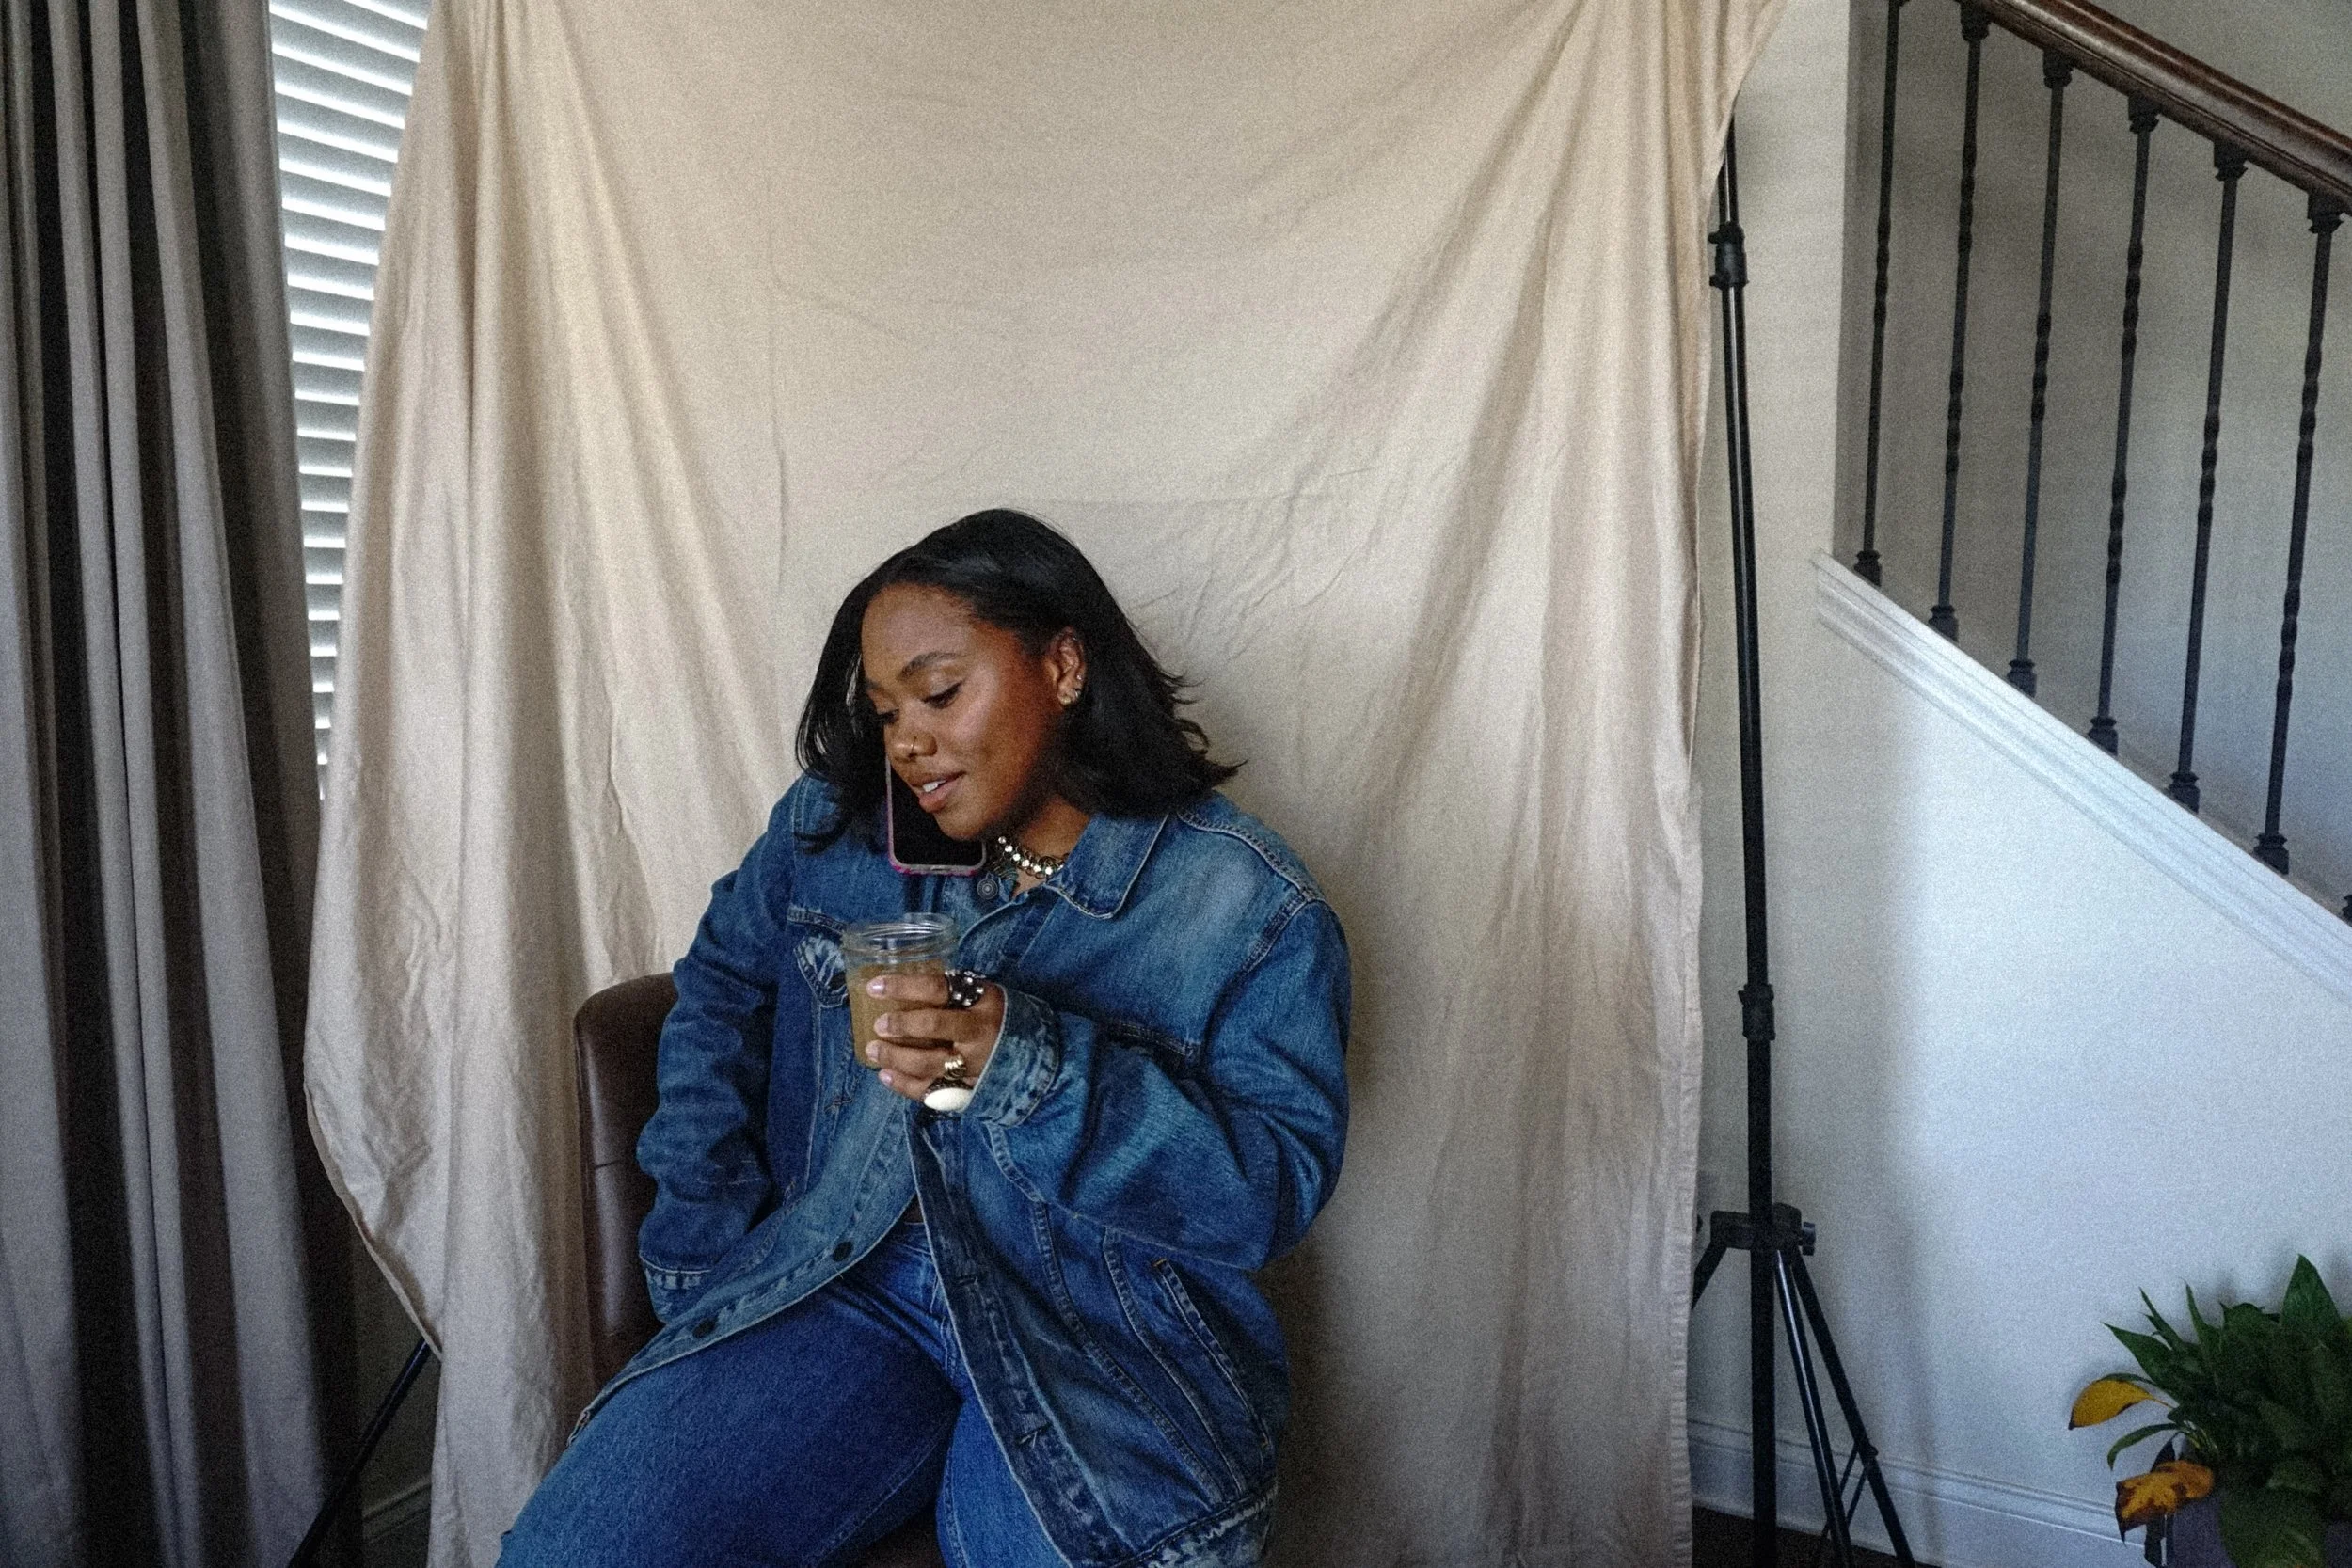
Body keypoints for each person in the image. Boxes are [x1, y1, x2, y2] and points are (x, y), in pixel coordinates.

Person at [501, 510, 1351, 1568]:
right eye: (887, 709)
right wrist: (702, 1245)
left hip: (1097, 1330)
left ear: (1064, 665)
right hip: (844, 1279)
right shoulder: (835, 828)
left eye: (940, 692)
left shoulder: (1242, 905)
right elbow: (717, 990)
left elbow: (1266, 1190)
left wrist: (1027, 1065)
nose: (905, 741)